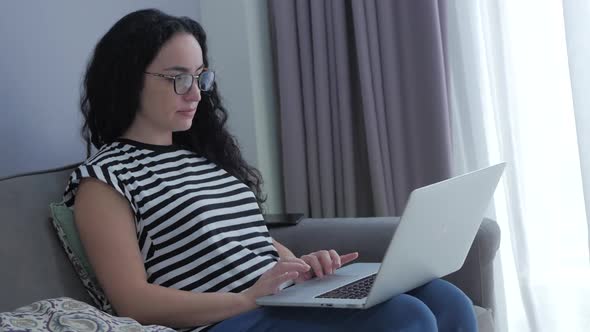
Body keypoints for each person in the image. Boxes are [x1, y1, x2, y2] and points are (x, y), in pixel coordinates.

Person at [63, 8, 477, 332]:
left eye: (199, 77)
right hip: (224, 320)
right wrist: (249, 298)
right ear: (127, 80)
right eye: (177, 78)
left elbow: (246, 244)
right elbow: (133, 302)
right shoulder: (104, 179)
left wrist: (301, 264)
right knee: (404, 318)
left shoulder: (201, 158)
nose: (194, 93)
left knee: (445, 299)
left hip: (275, 300)